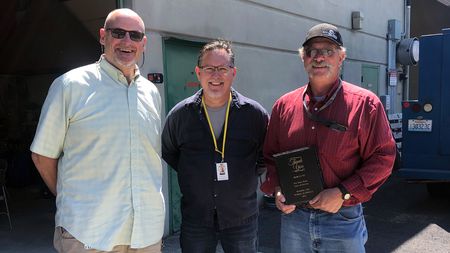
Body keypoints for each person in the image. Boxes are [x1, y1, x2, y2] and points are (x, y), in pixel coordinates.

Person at [30, 8, 164, 253]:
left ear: (143, 43)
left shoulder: (151, 93)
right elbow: (42, 156)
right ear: (103, 36)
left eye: (135, 36)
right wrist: (73, 199)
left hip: (146, 234)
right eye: (118, 33)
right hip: (88, 233)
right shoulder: (70, 86)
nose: (126, 42)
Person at [261, 23, 397, 253]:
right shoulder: (284, 106)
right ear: (303, 58)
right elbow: (271, 158)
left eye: (328, 51)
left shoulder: (365, 105)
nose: (319, 58)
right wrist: (277, 189)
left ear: (341, 58)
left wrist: (342, 192)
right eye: (312, 51)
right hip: (295, 219)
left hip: (342, 219)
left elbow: (383, 158)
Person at [162, 39, 269, 253]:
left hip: (241, 219)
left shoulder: (254, 115)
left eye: (222, 68)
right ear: (198, 72)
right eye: (209, 68)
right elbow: (170, 152)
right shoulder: (180, 115)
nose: (216, 75)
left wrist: (243, 175)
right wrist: (196, 173)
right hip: (196, 219)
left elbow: (265, 156)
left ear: (233, 72)